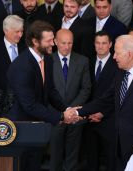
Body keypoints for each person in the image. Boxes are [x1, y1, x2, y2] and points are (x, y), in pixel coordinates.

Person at [75, 35, 133, 171]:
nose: (114, 56)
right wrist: (77, 111)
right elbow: (105, 100)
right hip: (117, 145)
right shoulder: (121, 73)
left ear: (129, 54)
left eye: (117, 52)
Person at [6, 20, 78, 171]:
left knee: (35, 164)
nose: (53, 43)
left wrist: (68, 109)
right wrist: (61, 116)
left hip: (39, 126)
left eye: (53, 39)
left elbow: (50, 91)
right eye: (49, 40)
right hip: (21, 128)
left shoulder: (48, 59)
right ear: (35, 41)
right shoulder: (22, 66)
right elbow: (29, 105)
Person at [50, 29, 91, 171]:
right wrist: (63, 111)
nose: (67, 46)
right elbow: (47, 90)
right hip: (56, 116)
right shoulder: (47, 60)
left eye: (70, 43)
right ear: (55, 42)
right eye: (63, 43)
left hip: (75, 117)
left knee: (72, 158)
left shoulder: (83, 60)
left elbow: (86, 89)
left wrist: (71, 111)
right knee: (54, 157)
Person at [83, 30, 117, 171]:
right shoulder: (87, 61)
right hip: (89, 119)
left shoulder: (118, 64)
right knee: (91, 159)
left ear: (110, 45)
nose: (100, 46)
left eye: (104, 43)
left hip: (109, 119)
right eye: (97, 43)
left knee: (110, 159)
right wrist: (88, 112)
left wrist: (102, 112)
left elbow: (118, 93)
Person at [0, 15, 25, 120]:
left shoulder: (26, 49)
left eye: (22, 31)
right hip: (0, 108)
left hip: (23, 107)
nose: (20, 35)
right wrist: (5, 97)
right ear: (6, 31)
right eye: (17, 31)